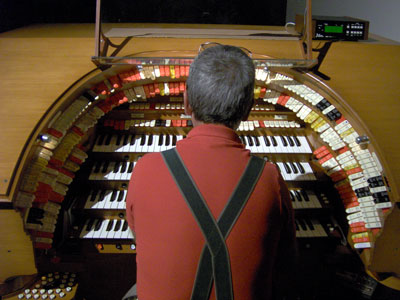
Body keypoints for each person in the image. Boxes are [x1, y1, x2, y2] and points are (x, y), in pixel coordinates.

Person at [125, 44, 296, 300]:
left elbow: (141, 235)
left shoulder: (145, 168)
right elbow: (285, 262)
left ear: (186, 103)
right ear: (248, 109)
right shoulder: (270, 177)